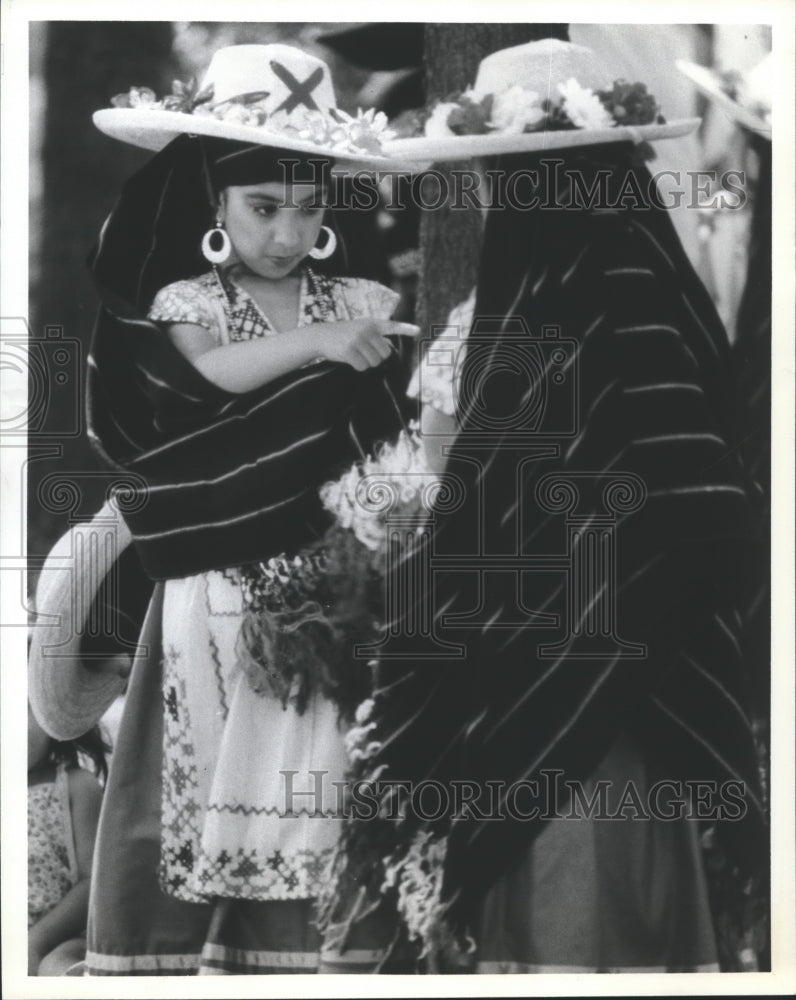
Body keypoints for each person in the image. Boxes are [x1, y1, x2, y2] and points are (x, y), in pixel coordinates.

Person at [318, 39, 768, 974]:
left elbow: (494, 509)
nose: (485, 199)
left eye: (493, 179)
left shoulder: (550, 311)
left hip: (569, 702)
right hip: (646, 682)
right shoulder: (653, 289)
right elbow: (701, 498)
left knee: (574, 925)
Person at [30, 43, 420, 976]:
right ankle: (181, 955)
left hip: (331, 589)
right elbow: (201, 384)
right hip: (209, 584)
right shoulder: (189, 304)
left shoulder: (365, 297)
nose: (286, 233)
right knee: (200, 775)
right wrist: (323, 345)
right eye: (262, 208)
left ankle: (305, 957)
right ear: (214, 201)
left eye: (308, 207)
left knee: (317, 774)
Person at [28, 705, 106, 976]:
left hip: (62, 935)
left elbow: (92, 882)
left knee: (56, 970)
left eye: (26, 709)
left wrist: (34, 942)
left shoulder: (75, 786)